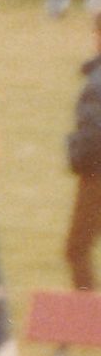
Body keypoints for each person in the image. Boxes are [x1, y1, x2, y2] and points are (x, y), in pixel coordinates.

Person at [70, 15, 101, 291]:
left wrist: (75, 154)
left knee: (77, 248)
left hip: (96, 177)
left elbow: (93, 134)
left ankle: (88, 314)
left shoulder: (97, 82)